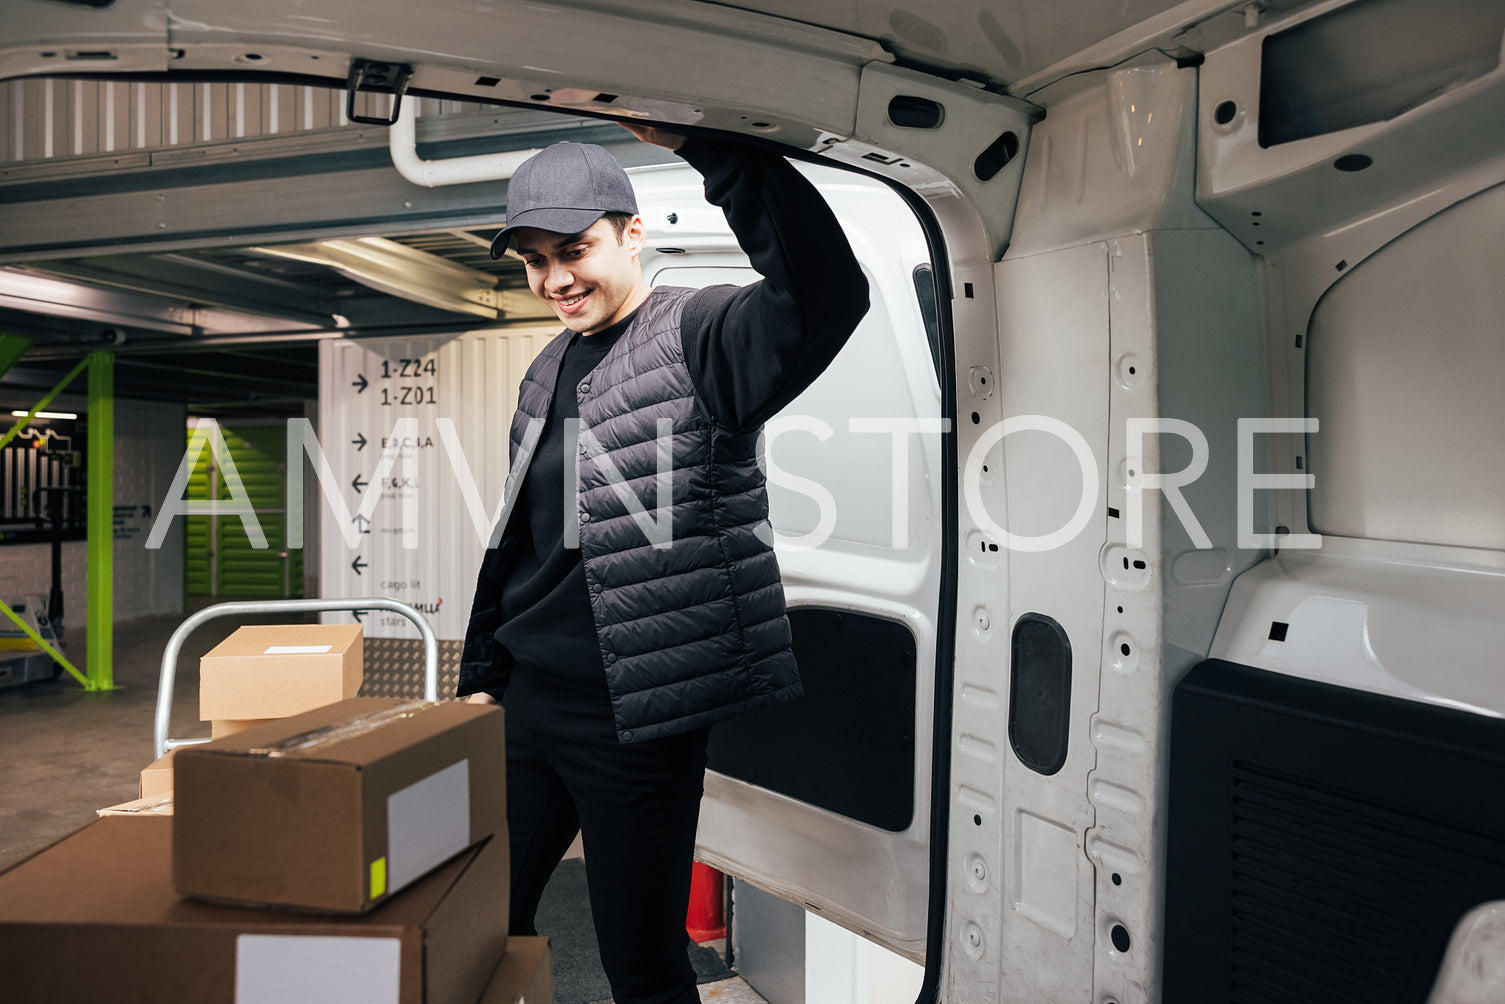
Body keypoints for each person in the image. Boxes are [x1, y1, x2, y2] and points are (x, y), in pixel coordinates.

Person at [458, 123, 868, 1004]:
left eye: (573, 251)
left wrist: (716, 151)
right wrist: (487, 673)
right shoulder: (546, 368)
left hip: (633, 717)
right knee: (477, 919)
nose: (555, 280)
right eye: (533, 261)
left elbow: (827, 294)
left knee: (639, 960)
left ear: (631, 234)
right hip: (527, 703)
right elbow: (527, 539)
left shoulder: (702, 334)